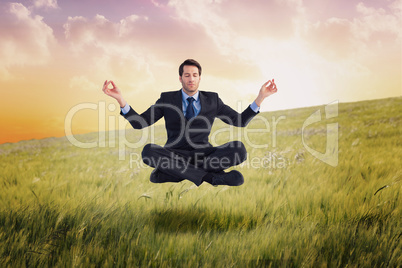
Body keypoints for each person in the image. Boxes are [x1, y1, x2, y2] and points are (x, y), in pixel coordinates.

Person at [102, 59, 277, 186]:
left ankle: (173, 173)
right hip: (175, 154)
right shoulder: (167, 98)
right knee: (148, 151)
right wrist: (120, 100)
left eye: (195, 75)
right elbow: (139, 123)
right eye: (187, 75)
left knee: (239, 149)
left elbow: (239, 121)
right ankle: (211, 178)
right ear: (180, 78)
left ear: (200, 78)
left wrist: (260, 98)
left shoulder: (212, 99)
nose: (191, 79)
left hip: (205, 156)